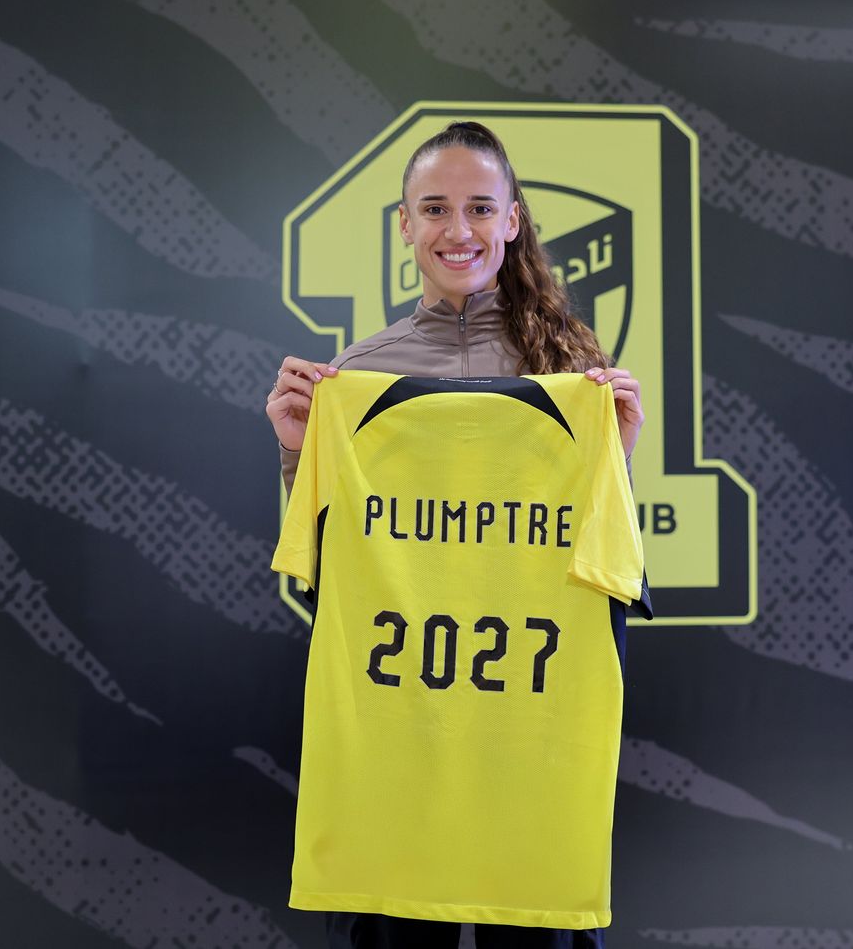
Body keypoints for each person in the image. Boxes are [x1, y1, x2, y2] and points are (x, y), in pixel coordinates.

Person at [265, 121, 645, 949]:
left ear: (512, 219)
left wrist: (615, 457)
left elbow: (608, 565)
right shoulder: (357, 376)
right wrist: (299, 454)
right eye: (435, 208)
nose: (458, 229)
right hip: (401, 743)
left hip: (531, 743)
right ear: (405, 224)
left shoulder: (572, 371)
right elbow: (329, 568)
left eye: (479, 207)